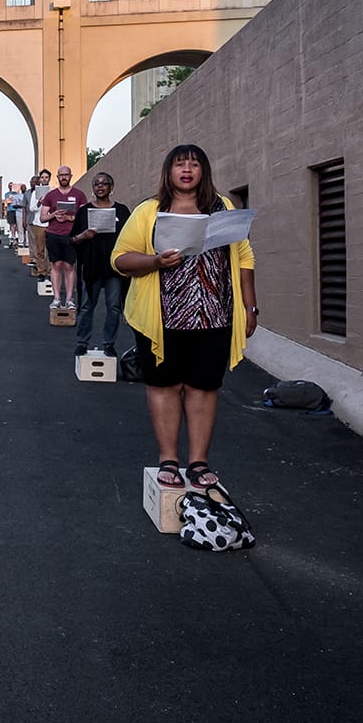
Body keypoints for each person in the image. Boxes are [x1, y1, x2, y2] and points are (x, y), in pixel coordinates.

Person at [111, 143, 257, 493]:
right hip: (161, 317)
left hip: (215, 316)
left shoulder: (222, 208)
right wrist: (155, 262)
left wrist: (250, 307)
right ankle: (168, 459)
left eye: (194, 164)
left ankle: (199, 461)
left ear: (203, 171)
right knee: (164, 386)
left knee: (204, 387)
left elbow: (244, 257)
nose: (187, 170)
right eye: (180, 165)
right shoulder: (149, 211)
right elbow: (119, 259)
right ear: (169, 172)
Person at [68, 172, 131, 357]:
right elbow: (72, 239)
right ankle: (82, 342)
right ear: (93, 188)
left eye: (105, 183)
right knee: (87, 305)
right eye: (96, 184)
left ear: (111, 187)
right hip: (91, 266)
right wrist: (83, 236)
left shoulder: (122, 211)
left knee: (113, 307)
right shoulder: (83, 211)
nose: (100, 186)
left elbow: (131, 236)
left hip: (114, 267)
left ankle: (109, 343)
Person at [39, 166, 89, 310]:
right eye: (61, 175)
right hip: (53, 234)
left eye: (66, 175)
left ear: (71, 176)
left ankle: (69, 299)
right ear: (57, 177)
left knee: (69, 266)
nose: (64, 177)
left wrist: (68, 217)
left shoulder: (79, 195)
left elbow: (83, 217)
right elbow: (43, 218)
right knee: (56, 266)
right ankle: (56, 298)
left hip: (71, 236)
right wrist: (55, 214)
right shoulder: (51, 196)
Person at [27, 169, 52, 280]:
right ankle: (41, 272)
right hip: (39, 223)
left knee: (51, 249)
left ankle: (51, 272)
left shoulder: (53, 191)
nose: (44, 179)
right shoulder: (34, 193)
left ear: (49, 179)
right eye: (42, 177)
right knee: (40, 249)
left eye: (46, 177)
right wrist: (39, 202)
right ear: (40, 179)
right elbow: (31, 208)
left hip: (51, 223)